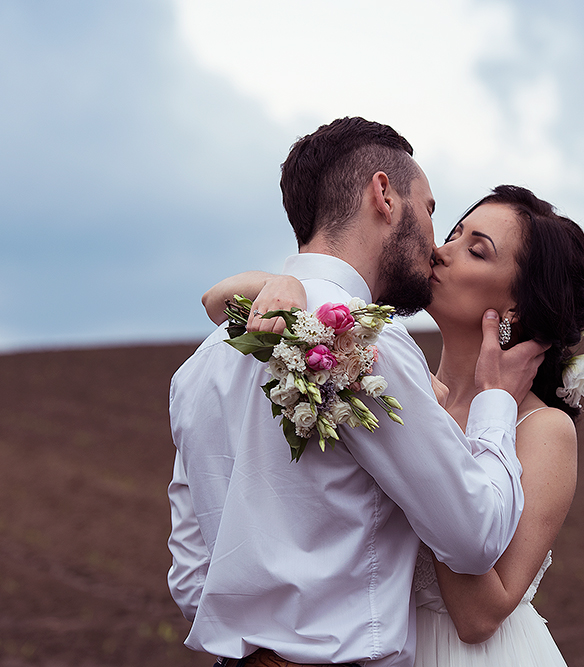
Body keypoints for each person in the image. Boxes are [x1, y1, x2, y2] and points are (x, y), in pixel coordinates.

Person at [167, 117, 548, 667]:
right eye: (431, 209)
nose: (436, 242)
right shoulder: (366, 345)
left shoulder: (203, 363)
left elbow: (191, 577)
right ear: (384, 195)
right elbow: (475, 536)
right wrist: (495, 405)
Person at [210, 185, 584, 666]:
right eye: (454, 234)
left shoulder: (543, 429)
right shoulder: (399, 393)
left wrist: (431, 461)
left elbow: (479, 617)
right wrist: (286, 286)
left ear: (515, 306)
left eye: (475, 250)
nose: (440, 251)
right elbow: (221, 299)